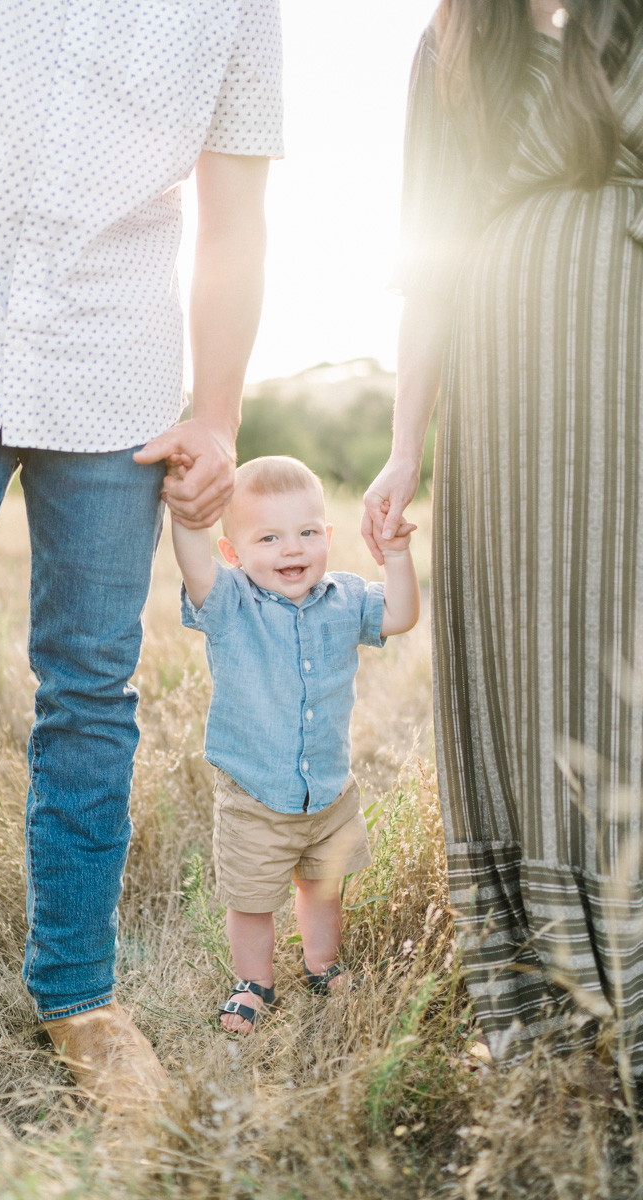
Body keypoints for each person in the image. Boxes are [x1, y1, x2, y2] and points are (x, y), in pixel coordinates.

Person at [0, 0, 283, 1153]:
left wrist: (220, 411)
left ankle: (80, 1000)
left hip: (114, 372)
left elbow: (237, 210)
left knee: (91, 700)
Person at [363, 0, 643, 1076]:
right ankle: (545, 980)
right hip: (503, 391)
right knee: (525, 643)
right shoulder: (449, 48)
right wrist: (401, 446)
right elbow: (425, 269)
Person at [173, 455, 419, 1032]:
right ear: (233, 552)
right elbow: (194, 564)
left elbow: (402, 615)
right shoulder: (231, 602)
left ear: (327, 536)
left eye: (308, 532)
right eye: (269, 537)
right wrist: (188, 513)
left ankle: (322, 965)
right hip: (255, 793)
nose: (293, 549)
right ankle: (254, 981)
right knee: (252, 899)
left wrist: (400, 555)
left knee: (322, 887)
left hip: (328, 792)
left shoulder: (345, 598)